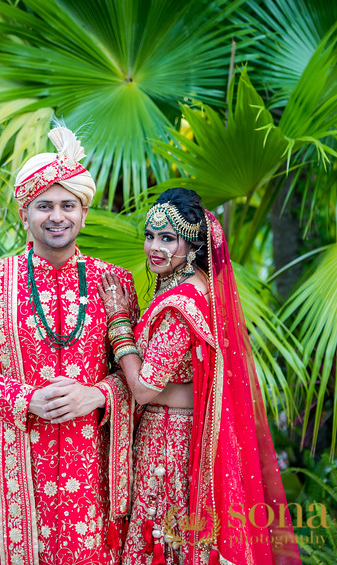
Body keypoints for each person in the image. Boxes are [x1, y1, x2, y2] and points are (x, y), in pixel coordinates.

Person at [0, 124, 147, 565]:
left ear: (83, 214)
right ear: (25, 214)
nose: (56, 216)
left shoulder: (114, 282)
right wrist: (28, 399)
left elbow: (136, 373)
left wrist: (95, 394)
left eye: (67, 205)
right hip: (18, 464)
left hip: (91, 467)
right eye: (44, 206)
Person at [98, 188, 302, 565]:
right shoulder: (198, 289)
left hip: (167, 445)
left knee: (162, 539)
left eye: (167, 238)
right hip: (181, 433)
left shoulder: (181, 305)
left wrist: (118, 324)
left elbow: (143, 388)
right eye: (150, 235)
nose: (154, 247)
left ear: (191, 246)